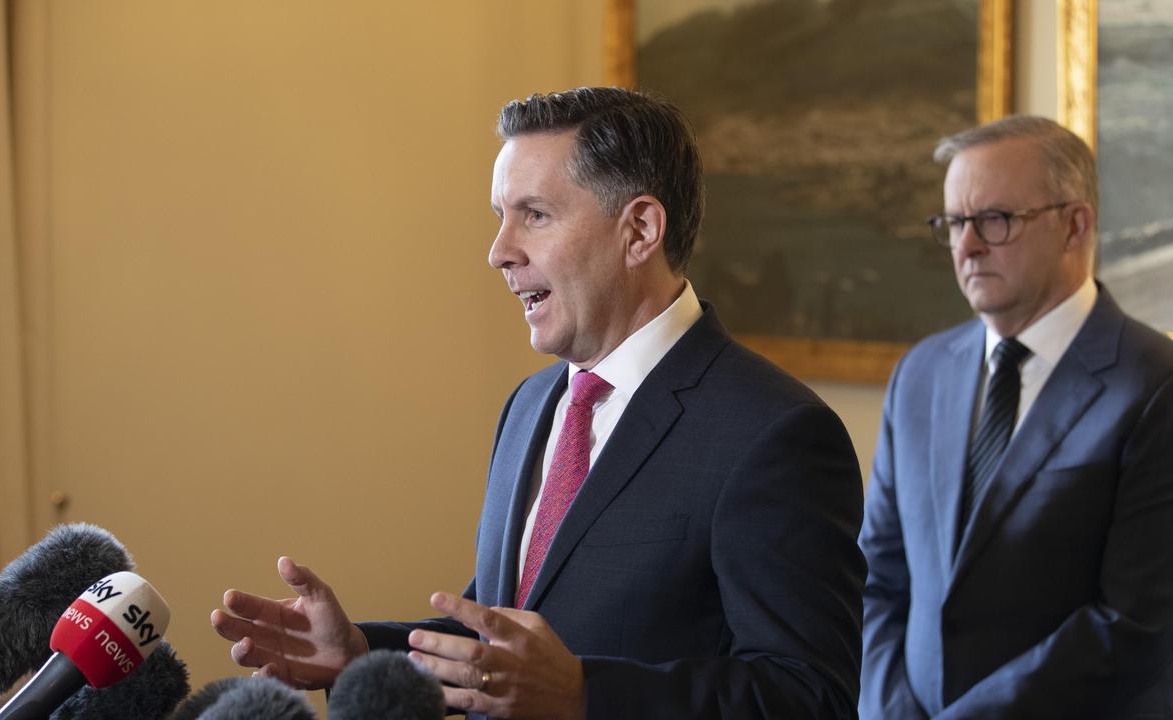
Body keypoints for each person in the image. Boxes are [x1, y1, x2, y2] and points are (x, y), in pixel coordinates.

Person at [212, 87, 867, 719]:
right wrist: (361, 653)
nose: (499, 251)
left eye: (535, 214)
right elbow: (501, 646)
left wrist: (586, 696)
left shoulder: (775, 433)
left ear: (639, 229)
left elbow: (810, 697)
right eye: (500, 217)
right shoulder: (530, 406)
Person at [859, 115, 1173, 719]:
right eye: (953, 222)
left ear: (1074, 225)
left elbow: (1132, 624)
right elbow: (875, 578)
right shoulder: (920, 373)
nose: (966, 245)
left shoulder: (1167, 387)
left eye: (995, 220)